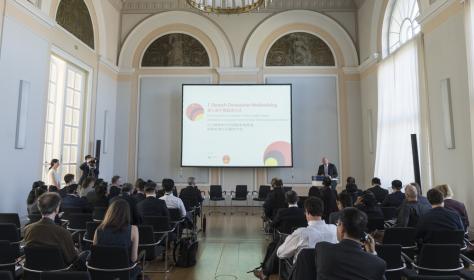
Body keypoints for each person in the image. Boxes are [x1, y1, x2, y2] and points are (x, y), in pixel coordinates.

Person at [253, 197, 337, 280]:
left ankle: (265, 273)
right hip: (326, 272)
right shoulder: (334, 229)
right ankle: (264, 272)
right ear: (322, 211)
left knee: (282, 246)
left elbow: (280, 254)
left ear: (307, 212)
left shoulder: (301, 233)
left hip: (301, 273)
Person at [315, 207, 386, 280]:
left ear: (342, 227)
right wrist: (372, 254)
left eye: (337, 224)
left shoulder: (322, 249)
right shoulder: (378, 264)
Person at [24, 192, 89, 270]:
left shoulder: (27, 229)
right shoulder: (63, 232)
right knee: (86, 254)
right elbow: (73, 260)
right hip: (59, 274)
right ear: (57, 208)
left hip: (34, 273)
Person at [93, 199, 141, 279]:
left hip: (102, 272)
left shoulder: (99, 229)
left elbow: (95, 255)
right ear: (127, 213)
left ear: (110, 212)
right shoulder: (133, 229)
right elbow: (133, 258)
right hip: (125, 272)